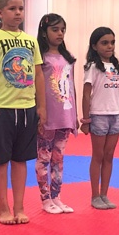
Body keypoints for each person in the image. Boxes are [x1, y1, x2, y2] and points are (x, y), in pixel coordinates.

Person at [0, 0, 46, 224]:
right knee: (0, 160)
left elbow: (38, 75)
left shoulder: (31, 41)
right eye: (12, 9)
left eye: (21, 9)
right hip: (1, 108)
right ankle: (3, 207)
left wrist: (41, 107)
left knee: (20, 159)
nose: (18, 13)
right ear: (0, 13)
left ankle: (19, 206)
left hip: (27, 107)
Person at [35, 13, 78, 214]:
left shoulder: (67, 58)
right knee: (44, 157)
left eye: (62, 30)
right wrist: (39, 110)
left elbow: (72, 86)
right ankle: (45, 199)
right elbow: (37, 85)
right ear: (44, 33)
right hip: (48, 114)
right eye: (55, 29)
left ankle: (56, 196)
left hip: (65, 113)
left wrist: (75, 114)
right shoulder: (41, 58)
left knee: (58, 158)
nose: (60, 33)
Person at [81, 27, 119, 209]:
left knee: (109, 156)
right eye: (104, 43)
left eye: (112, 42)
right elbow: (86, 94)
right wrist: (86, 120)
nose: (110, 46)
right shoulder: (93, 67)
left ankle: (104, 194)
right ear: (95, 46)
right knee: (98, 155)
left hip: (115, 116)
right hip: (99, 115)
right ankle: (95, 195)